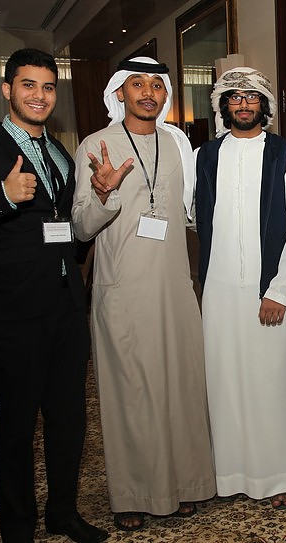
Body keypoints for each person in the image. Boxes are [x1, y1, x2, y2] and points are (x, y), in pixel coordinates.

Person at [0, 49, 107, 543]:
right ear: (7, 90)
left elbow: (69, 230)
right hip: (14, 310)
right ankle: (17, 527)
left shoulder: (60, 152)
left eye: (48, 87)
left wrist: (99, 197)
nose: (39, 95)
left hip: (66, 305)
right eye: (28, 85)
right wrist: (1, 195)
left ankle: (63, 512)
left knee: (68, 418)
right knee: (16, 424)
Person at [71, 57, 216, 532]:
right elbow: (81, 227)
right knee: (131, 392)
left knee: (180, 386)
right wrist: (103, 194)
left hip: (174, 287)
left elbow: (192, 213)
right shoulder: (96, 145)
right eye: (138, 84)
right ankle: (134, 493)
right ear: (120, 93)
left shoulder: (178, 145)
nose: (148, 92)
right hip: (123, 290)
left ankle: (188, 483)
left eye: (156, 85)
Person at [195, 67, 286, 510]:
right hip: (219, 288)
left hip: (272, 291)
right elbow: (189, 213)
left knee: (273, 383)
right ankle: (229, 475)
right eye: (234, 96)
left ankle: (280, 474)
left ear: (264, 105)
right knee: (225, 381)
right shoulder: (204, 156)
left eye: (251, 97)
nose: (243, 104)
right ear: (223, 106)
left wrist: (280, 290)